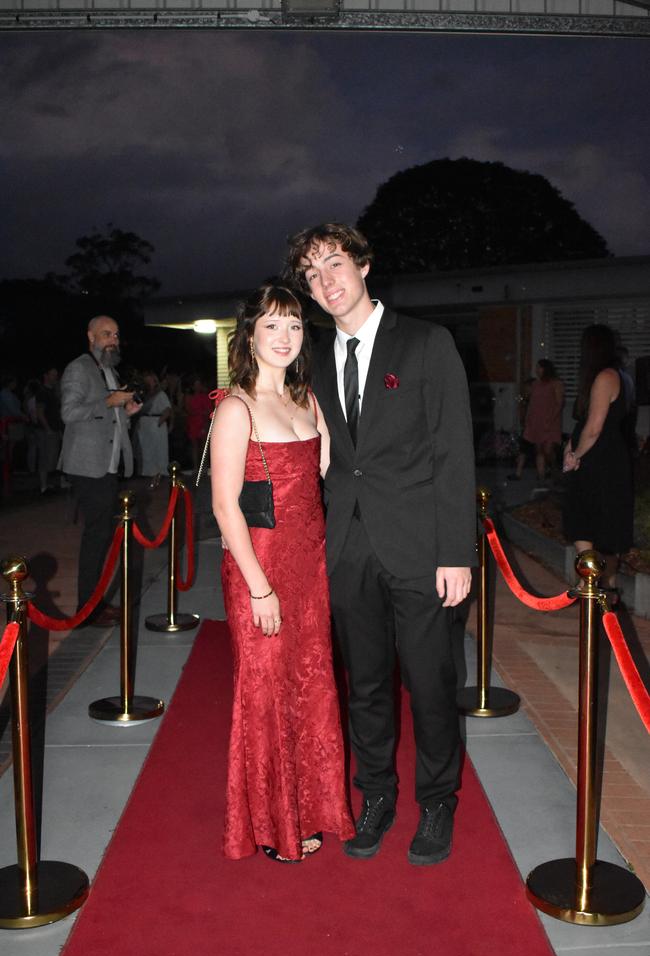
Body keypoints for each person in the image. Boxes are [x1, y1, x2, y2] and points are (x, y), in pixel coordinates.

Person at [284, 223, 476, 866]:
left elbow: (454, 453)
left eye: (334, 264)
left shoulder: (426, 343)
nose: (326, 282)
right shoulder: (309, 355)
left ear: (364, 264)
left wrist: (457, 552)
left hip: (421, 544)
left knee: (429, 680)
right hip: (347, 543)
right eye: (312, 276)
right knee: (364, 684)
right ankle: (376, 796)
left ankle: (439, 801)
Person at [210, 283, 354, 863]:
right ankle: (272, 825)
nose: (285, 337)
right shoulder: (235, 408)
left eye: (294, 326)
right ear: (249, 335)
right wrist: (259, 587)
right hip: (260, 568)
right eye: (272, 326)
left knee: (313, 683)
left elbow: (322, 481)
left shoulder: (308, 402)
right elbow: (225, 508)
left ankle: (313, 807)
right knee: (266, 690)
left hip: (310, 565)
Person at [59, 316, 142, 627]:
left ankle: (94, 603)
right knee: (97, 537)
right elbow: (69, 412)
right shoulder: (79, 368)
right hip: (88, 465)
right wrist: (109, 402)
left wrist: (127, 412)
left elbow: (112, 419)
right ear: (90, 335)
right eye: (107, 334)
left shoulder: (108, 369)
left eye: (117, 335)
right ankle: (87, 608)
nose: (113, 340)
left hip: (107, 464)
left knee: (102, 535)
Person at [563, 324, 634, 605]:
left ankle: (592, 586)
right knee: (603, 526)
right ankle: (605, 591)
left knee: (585, 521)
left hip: (599, 462)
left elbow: (594, 428)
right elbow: (586, 423)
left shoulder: (605, 377)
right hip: (607, 459)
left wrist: (575, 455)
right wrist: (572, 444)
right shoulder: (616, 376)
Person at [510, 359, 564, 482]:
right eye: (536, 368)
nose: (537, 370)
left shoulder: (556, 383)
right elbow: (531, 402)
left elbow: (559, 403)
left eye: (539, 367)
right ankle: (541, 477)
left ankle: (554, 469)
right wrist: (526, 418)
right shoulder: (535, 384)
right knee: (539, 449)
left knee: (548, 450)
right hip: (536, 421)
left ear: (546, 369)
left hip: (550, 422)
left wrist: (551, 419)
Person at [133, 370, 172, 488]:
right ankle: (148, 477)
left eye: (150, 379)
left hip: (155, 424)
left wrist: (158, 423)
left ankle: (158, 477)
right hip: (145, 425)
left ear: (154, 381)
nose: (148, 382)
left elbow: (168, 410)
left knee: (157, 451)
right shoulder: (146, 394)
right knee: (146, 451)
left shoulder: (160, 394)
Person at [185, 375, 212, 472]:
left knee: (204, 446)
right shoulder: (189, 397)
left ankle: (204, 466)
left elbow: (209, 411)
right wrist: (201, 412)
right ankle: (195, 467)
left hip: (203, 422)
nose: (197, 387)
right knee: (194, 446)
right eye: (195, 385)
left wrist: (203, 414)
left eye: (199, 385)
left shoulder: (205, 397)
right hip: (193, 423)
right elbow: (188, 410)